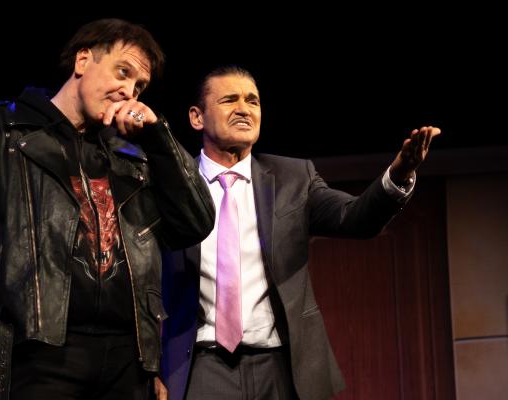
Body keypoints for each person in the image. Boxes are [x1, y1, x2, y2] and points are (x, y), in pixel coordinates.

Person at [0, 18, 215, 400]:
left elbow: (195, 223)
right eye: (123, 72)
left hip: (127, 358)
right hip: (39, 352)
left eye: (139, 86)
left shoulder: (133, 153)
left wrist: (158, 136)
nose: (128, 91)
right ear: (83, 60)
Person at [156, 65, 441, 400]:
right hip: (201, 366)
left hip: (280, 366)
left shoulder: (293, 178)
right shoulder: (172, 184)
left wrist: (400, 173)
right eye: (230, 100)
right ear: (196, 117)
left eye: (252, 101)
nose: (244, 109)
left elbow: (355, 219)